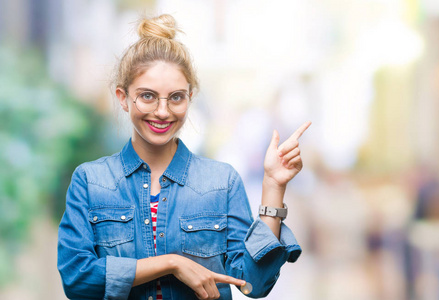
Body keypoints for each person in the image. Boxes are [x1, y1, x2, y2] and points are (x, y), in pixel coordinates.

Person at [57, 14, 311, 300]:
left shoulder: (222, 181)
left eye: (176, 97)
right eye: (148, 96)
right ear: (123, 97)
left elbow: (253, 282)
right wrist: (172, 263)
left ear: (190, 97)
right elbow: (77, 279)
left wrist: (274, 187)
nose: (163, 112)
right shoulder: (90, 181)